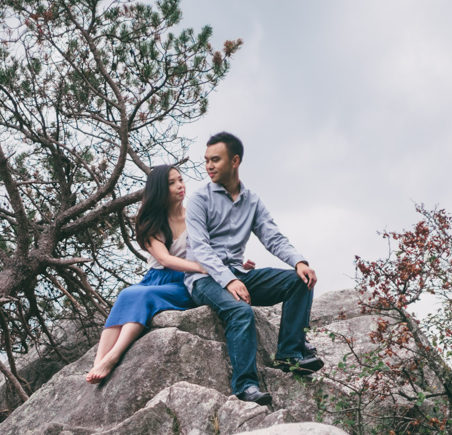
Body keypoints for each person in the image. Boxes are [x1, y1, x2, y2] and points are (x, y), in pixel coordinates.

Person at [184, 131, 321, 406]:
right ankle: (246, 386)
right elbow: (200, 249)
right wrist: (227, 281)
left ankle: (290, 354)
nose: (209, 166)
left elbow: (273, 237)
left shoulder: (252, 200)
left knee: (299, 281)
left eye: (215, 160)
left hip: (239, 273)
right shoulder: (200, 199)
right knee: (240, 311)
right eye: (206, 160)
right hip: (204, 278)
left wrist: (299, 262)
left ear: (234, 161)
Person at [86, 165, 206, 383]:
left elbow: (217, 244)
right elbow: (164, 259)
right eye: (171, 183)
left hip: (185, 279)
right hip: (157, 277)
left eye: (180, 179)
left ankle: (113, 356)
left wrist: (234, 263)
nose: (180, 186)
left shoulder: (195, 216)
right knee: (126, 295)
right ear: (160, 190)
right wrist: (201, 266)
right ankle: (98, 362)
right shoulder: (151, 221)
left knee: (143, 296)